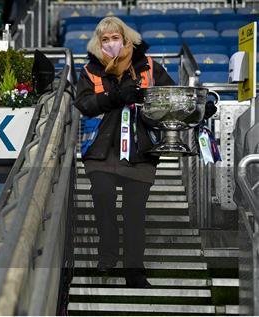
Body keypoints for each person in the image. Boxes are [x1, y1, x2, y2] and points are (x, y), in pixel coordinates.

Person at [74, 16, 175, 288]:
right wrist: (114, 97)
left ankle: (134, 270)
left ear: (127, 39)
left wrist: (193, 109)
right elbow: (84, 104)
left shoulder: (150, 66)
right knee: (103, 201)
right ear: (98, 43)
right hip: (100, 150)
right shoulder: (89, 70)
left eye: (115, 38)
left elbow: (170, 98)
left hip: (140, 151)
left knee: (134, 212)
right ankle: (107, 257)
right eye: (104, 40)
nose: (110, 44)